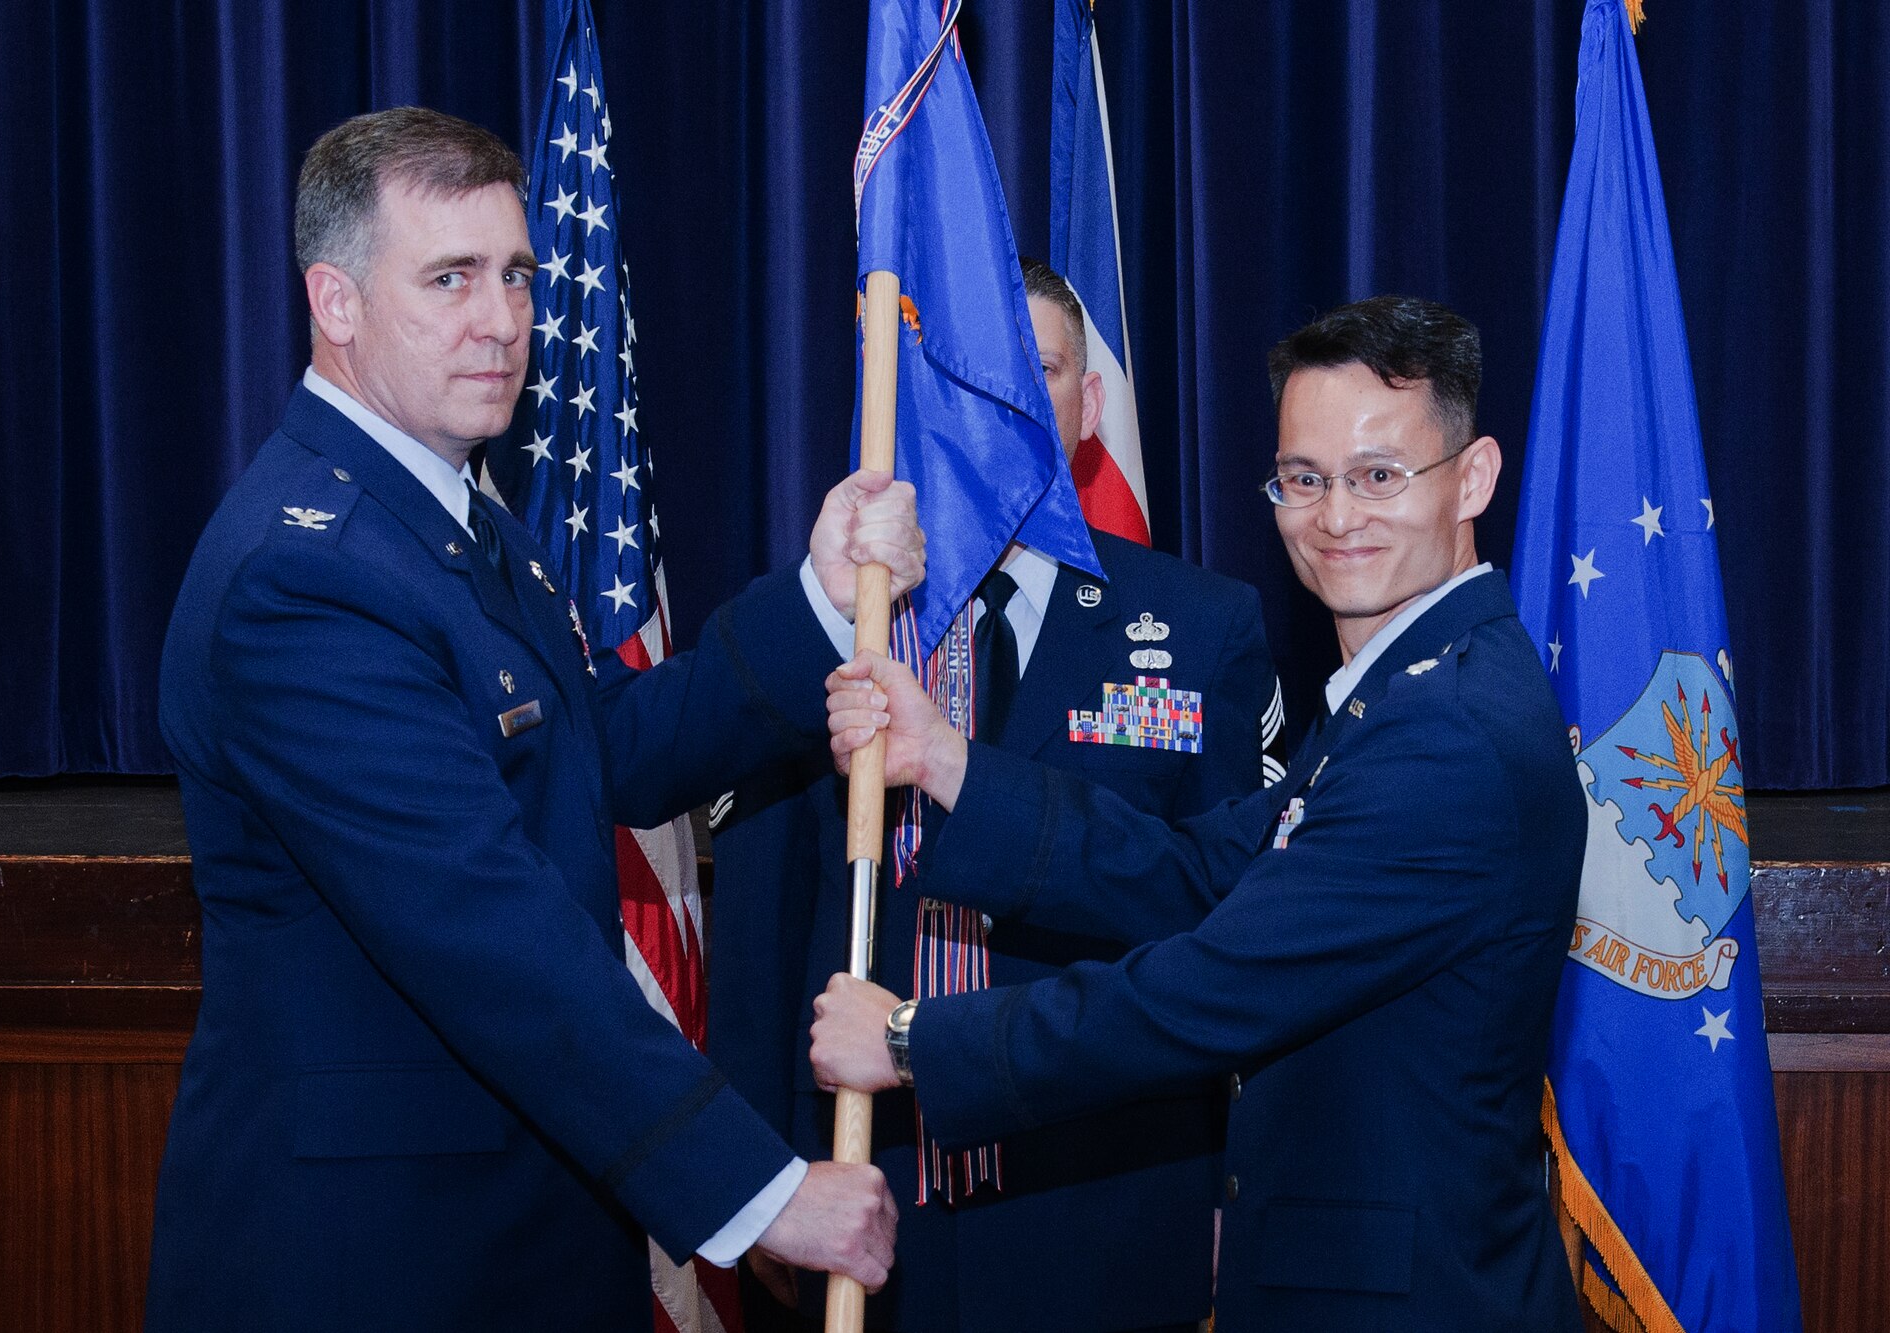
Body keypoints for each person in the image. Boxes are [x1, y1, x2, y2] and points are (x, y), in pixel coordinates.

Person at [148, 107, 908, 1332]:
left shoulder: (449, 515)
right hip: (377, 1264)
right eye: (447, 279)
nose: (500, 322)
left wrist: (816, 599)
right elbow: (483, 924)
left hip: (513, 1230)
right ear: (334, 303)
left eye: (513, 276)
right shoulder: (305, 575)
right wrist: (758, 1193)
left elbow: (597, 750)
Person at [811, 296, 1588, 1331]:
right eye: (1303, 479)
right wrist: (948, 762)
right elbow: (1192, 869)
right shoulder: (1407, 691)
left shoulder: (1444, 730)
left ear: (1473, 477)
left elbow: (1211, 988)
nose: (1335, 517)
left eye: (1377, 476)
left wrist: (913, 1041)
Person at [707, 260, 1282, 1332]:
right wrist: (760, 1183)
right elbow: (759, 921)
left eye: (1039, 372)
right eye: (963, 383)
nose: (1002, 411)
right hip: (861, 1198)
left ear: (1087, 403)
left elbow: (1231, 930)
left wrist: (1228, 1186)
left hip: (1104, 1193)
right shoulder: (838, 612)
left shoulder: (1203, 627)